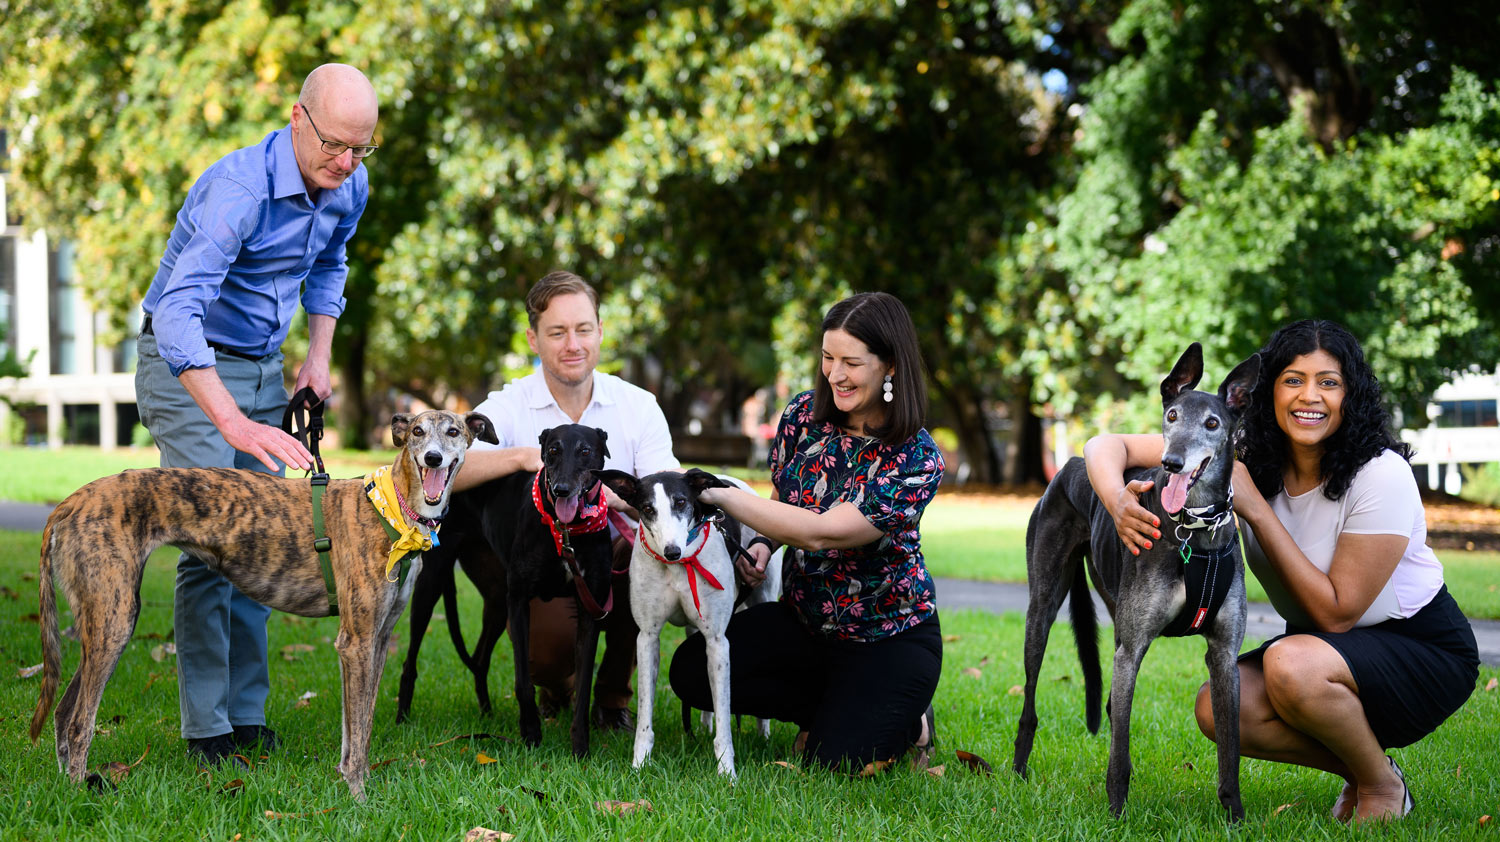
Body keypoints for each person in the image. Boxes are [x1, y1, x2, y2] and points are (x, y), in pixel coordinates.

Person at [1084, 319, 1479, 822]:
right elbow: (1105, 446)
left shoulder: (1381, 474)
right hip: (1323, 655)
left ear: (1350, 394)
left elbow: (1336, 615)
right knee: (1218, 708)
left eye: (1328, 382)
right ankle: (1363, 765)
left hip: (1418, 648)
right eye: (1293, 380)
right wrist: (1118, 501)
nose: (1308, 396)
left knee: (1291, 666)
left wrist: (1254, 508)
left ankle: (1381, 785)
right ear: (1263, 394)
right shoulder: (1237, 453)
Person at [134, 64, 379, 768]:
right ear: (296, 119)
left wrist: (318, 358)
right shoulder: (237, 191)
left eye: (361, 149)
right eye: (334, 144)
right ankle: (206, 726)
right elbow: (178, 313)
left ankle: (247, 713)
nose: (346, 162)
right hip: (187, 363)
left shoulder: (348, 180)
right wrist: (235, 425)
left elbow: (331, 264)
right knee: (213, 536)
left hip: (263, 363)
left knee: (268, 532)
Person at [668, 291, 945, 773]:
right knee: (691, 671)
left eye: (851, 362)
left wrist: (725, 495)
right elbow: (786, 501)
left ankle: (913, 722)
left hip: (888, 637)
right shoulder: (802, 417)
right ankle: (835, 707)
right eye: (827, 357)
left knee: (834, 760)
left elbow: (821, 533)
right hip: (806, 623)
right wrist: (761, 543)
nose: (834, 374)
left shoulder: (917, 459)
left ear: (891, 366)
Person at [454, 270, 679, 729]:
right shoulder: (511, 402)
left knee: (638, 554)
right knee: (546, 659)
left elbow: (668, 491)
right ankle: (561, 684)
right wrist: (520, 457)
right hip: (543, 555)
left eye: (583, 329)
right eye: (557, 332)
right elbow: (447, 465)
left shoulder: (637, 404)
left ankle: (612, 698)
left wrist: (618, 500)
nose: (573, 344)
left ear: (600, 331)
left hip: (613, 555)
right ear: (533, 339)